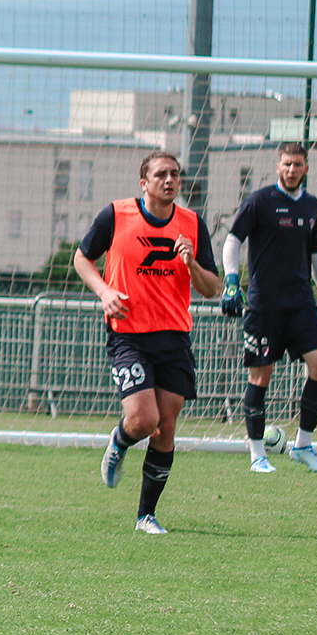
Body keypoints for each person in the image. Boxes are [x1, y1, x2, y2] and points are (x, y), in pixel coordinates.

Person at [73, 150, 221, 534]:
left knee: (166, 428)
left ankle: (145, 516)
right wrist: (105, 291)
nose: (169, 180)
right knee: (143, 419)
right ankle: (120, 441)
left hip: (173, 336)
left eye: (175, 174)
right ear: (144, 182)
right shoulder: (116, 215)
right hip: (129, 335)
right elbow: (81, 259)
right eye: (161, 174)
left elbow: (212, 289)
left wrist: (191, 265)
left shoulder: (192, 224)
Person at [220, 142, 317, 473]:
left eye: (298, 164)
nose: (292, 170)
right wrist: (230, 281)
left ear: (306, 168)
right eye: (286, 164)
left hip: (300, 303)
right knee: (260, 377)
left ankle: (303, 446)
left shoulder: (312, 205)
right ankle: (258, 454)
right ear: (277, 166)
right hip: (264, 304)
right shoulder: (259, 201)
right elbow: (232, 241)